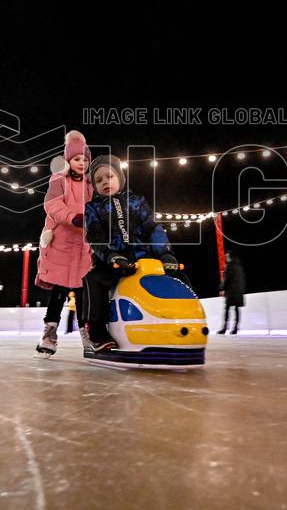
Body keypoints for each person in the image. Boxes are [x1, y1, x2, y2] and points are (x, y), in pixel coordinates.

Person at [83, 154, 190, 352]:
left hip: (145, 259)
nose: (105, 182)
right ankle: (96, 332)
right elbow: (95, 236)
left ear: (120, 178)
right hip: (114, 262)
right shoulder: (93, 208)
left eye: (110, 176)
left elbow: (153, 229)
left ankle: (185, 322)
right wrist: (110, 256)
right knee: (92, 279)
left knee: (179, 275)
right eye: (99, 180)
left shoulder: (136, 201)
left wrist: (165, 253)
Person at [32, 130, 93, 358]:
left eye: (85, 159)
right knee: (59, 291)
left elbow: (95, 208)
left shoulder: (90, 184)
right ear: (69, 160)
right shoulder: (59, 179)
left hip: (82, 246)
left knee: (84, 292)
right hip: (61, 244)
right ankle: (49, 334)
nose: (81, 163)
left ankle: (87, 334)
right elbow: (53, 205)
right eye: (77, 159)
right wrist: (73, 217)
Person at [218, 251, 246, 335]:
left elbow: (226, 279)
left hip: (231, 292)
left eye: (226, 256)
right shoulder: (239, 267)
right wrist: (242, 290)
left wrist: (221, 288)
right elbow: (242, 280)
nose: (225, 258)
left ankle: (224, 328)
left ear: (229, 256)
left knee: (227, 309)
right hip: (239, 291)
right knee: (237, 309)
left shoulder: (229, 266)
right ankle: (236, 328)